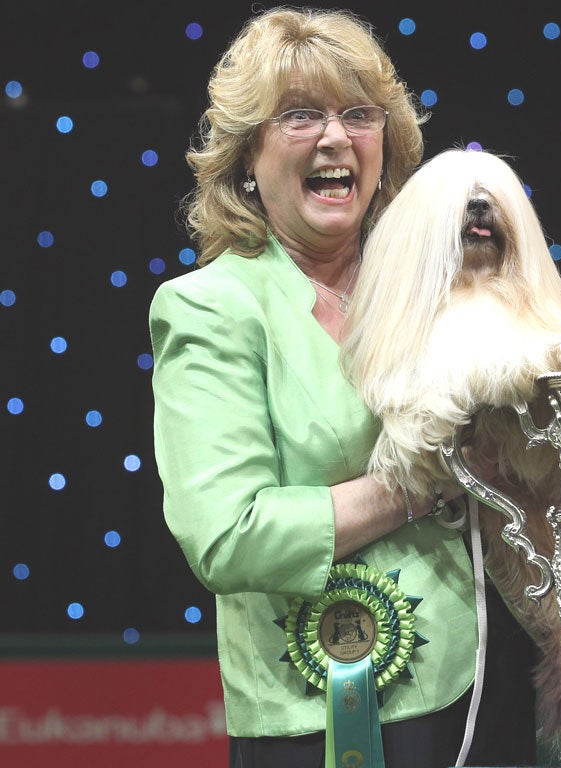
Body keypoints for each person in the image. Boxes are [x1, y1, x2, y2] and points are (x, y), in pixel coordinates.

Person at [149, 7, 538, 767]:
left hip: (489, 686)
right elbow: (230, 535)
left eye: (358, 115)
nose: (335, 137)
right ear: (245, 160)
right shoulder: (210, 306)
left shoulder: (447, 282)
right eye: (299, 116)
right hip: (314, 716)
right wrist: (419, 484)